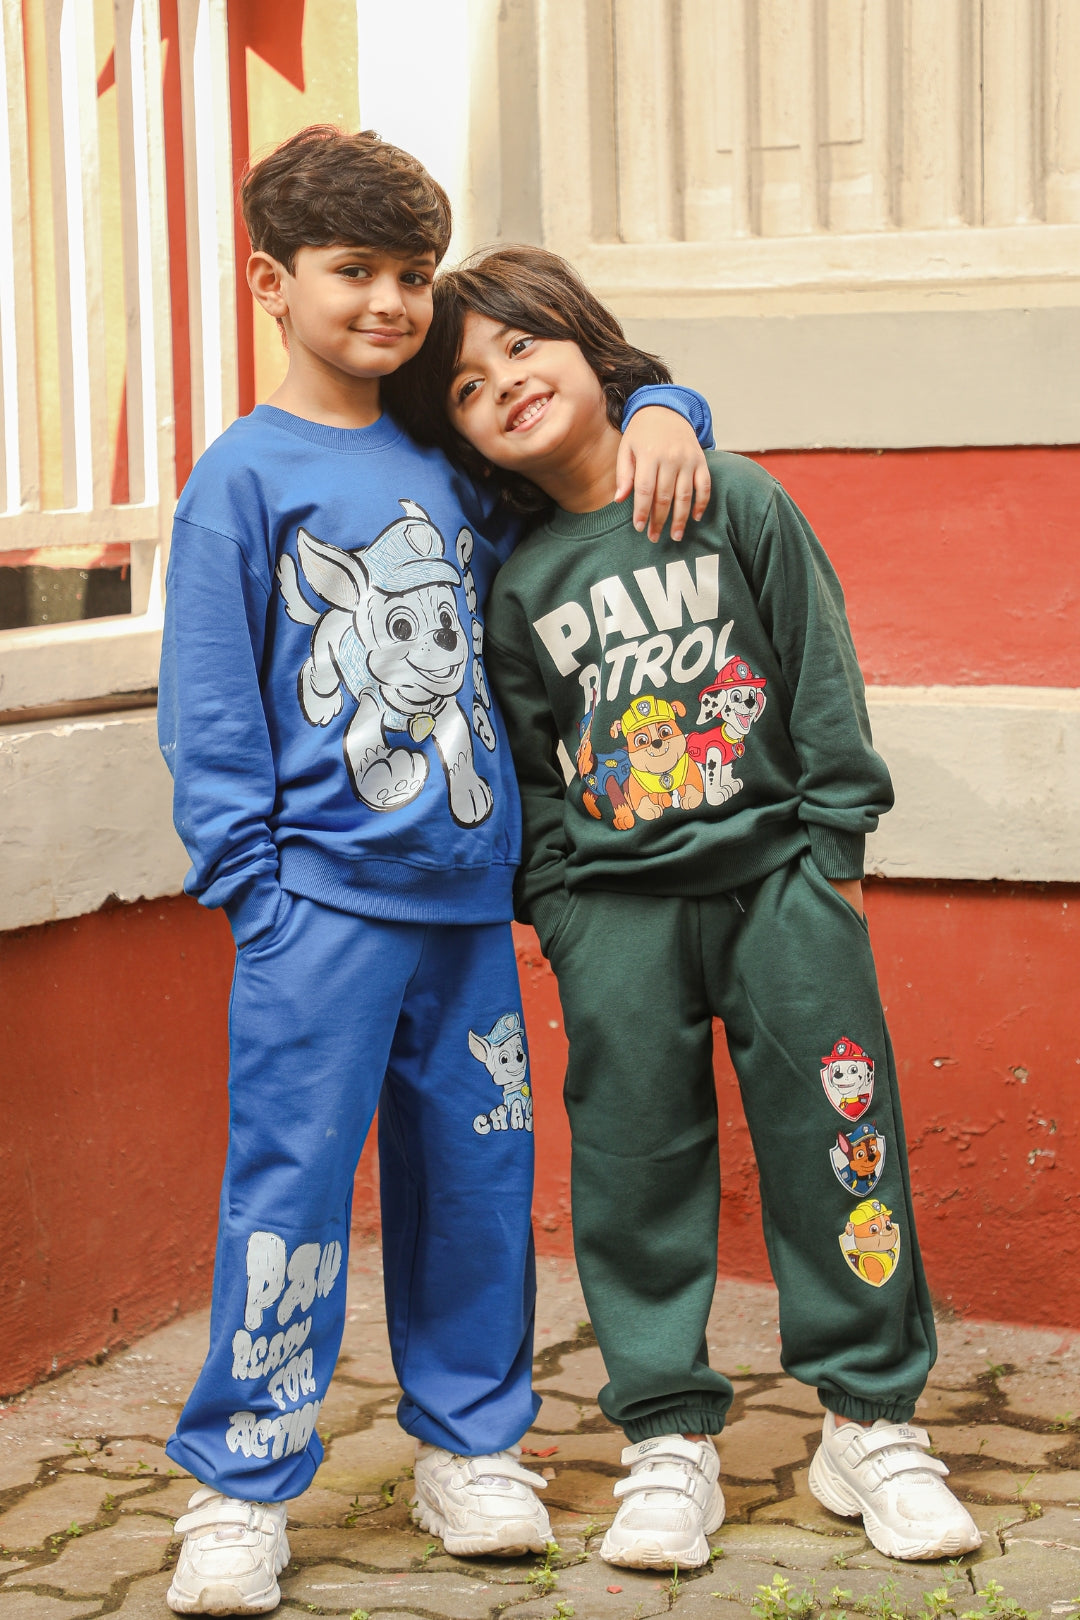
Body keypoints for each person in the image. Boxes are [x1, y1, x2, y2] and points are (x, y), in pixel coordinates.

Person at [157, 130, 714, 1616]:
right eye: (356, 272)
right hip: (315, 915)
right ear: (273, 283)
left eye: (413, 275)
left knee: (475, 1188)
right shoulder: (241, 479)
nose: (393, 304)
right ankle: (241, 1478)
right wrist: (257, 893)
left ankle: (472, 1447)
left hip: (465, 912)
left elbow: (581, 447)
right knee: (287, 1192)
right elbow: (209, 711)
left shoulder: (449, 455)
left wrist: (667, 404)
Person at [399, 244, 983, 1572]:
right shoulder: (517, 586)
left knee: (839, 1144)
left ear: (589, 345)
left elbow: (820, 670)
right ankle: (668, 1439)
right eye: (470, 385)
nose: (504, 384)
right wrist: (561, 907)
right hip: (617, 917)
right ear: (463, 432)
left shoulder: (736, 497)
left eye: (523, 346)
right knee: (634, 1169)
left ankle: (869, 1424)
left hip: (781, 886)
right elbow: (530, 767)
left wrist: (832, 855)